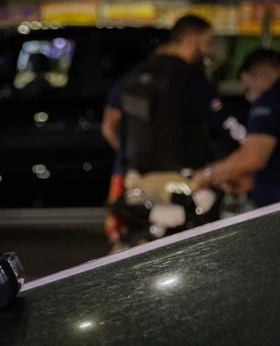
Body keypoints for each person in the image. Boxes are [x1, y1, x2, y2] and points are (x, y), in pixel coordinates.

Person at [117, 15, 246, 206]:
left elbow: (120, 128)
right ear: (191, 40)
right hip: (179, 182)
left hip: (136, 179)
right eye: (206, 43)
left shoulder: (136, 76)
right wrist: (251, 142)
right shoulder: (188, 78)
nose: (208, 51)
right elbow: (227, 123)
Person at [193, 48, 280, 206]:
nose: (249, 98)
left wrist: (208, 174)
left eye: (248, 89)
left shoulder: (271, 101)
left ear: (261, 72)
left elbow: (253, 158)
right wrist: (255, 180)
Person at [101, 81, 127, 247]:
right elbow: (109, 128)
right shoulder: (126, 85)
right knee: (118, 232)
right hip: (126, 169)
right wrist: (126, 153)